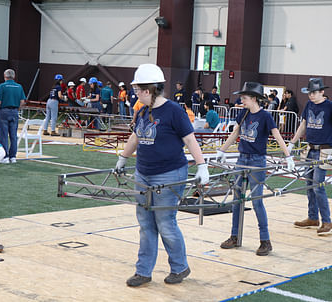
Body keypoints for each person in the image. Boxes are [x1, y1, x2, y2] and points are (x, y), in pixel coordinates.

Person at [115, 63, 209, 287]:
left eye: (137, 89)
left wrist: (202, 165)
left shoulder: (174, 111)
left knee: (165, 223)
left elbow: (189, 139)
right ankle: (143, 271)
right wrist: (123, 158)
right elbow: (136, 137)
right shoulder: (142, 110)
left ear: (148, 90)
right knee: (145, 224)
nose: (135, 93)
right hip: (143, 173)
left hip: (169, 174)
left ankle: (180, 267)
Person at [217, 82, 294, 256]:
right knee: (237, 199)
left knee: (257, 200)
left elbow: (277, 135)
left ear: (253, 99)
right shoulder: (243, 114)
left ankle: (265, 241)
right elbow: (236, 132)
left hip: (257, 161)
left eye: (244, 98)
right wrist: (222, 149)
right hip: (242, 158)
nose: (241, 100)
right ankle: (234, 236)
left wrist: (288, 155)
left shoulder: (265, 117)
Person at [288, 78, 332, 235]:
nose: (311, 95)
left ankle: (327, 221)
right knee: (309, 186)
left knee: (318, 186)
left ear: (322, 92)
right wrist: (292, 142)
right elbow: (303, 124)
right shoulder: (309, 105)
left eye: (314, 92)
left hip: (325, 150)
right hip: (310, 149)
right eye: (309, 93)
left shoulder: (330, 106)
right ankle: (313, 217)